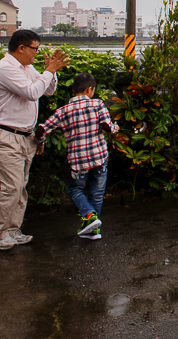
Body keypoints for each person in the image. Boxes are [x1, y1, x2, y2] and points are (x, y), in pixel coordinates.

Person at [0, 29, 69, 250]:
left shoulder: (27, 67)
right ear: (21, 48)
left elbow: (48, 91)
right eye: (35, 48)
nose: (37, 53)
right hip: (6, 135)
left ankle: (12, 229)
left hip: (25, 136)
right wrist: (48, 71)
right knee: (11, 187)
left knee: (20, 187)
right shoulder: (5, 68)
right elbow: (32, 92)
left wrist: (51, 71)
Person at [36, 72, 119, 241]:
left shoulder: (63, 111)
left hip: (78, 161)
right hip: (99, 157)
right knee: (96, 194)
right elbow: (108, 128)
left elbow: (42, 129)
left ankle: (91, 225)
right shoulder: (98, 104)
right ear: (90, 89)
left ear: (74, 90)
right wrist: (114, 128)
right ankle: (92, 221)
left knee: (75, 189)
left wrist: (41, 142)